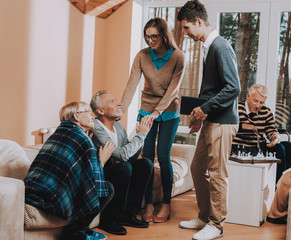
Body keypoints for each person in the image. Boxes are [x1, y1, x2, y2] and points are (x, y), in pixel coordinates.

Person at [177, 1, 240, 239]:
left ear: (199, 22)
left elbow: (233, 88)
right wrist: (199, 116)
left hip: (223, 122)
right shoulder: (208, 46)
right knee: (197, 167)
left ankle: (217, 224)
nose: (185, 33)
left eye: (186, 27)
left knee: (217, 173)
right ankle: (204, 216)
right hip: (211, 121)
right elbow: (212, 89)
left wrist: (204, 109)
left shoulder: (220, 46)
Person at [120, 17, 185, 223]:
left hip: (168, 112)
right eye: (147, 36)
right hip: (146, 110)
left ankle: (166, 202)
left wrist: (156, 113)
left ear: (164, 35)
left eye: (154, 36)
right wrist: (120, 110)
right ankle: (148, 202)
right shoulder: (142, 56)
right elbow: (132, 85)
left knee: (163, 156)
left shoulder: (178, 57)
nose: (150, 40)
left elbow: (172, 91)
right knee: (147, 157)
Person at [24, 101, 115, 240]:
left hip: (31, 191)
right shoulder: (81, 138)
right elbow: (94, 181)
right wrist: (102, 160)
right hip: (52, 197)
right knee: (108, 189)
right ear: (77, 116)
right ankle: (77, 233)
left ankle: (81, 233)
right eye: (88, 113)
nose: (92, 117)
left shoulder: (59, 134)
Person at [90, 90, 153, 235]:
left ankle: (128, 215)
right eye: (112, 102)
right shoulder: (96, 127)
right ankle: (109, 220)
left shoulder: (118, 127)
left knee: (145, 164)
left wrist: (141, 137)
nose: (119, 103)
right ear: (100, 110)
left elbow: (129, 157)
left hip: (119, 168)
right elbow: (121, 155)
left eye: (116, 100)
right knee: (124, 168)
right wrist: (141, 135)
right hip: (100, 172)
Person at [232, 84, 291, 182]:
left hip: (259, 146)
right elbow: (227, 127)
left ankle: (290, 182)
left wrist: (274, 137)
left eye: (261, 103)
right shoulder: (236, 108)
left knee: (288, 146)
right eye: (255, 101)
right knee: (280, 149)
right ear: (248, 96)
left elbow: (271, 129)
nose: (257, 106)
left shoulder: (266, 112)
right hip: (241, 147)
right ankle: (279, 185)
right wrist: (242, 126)